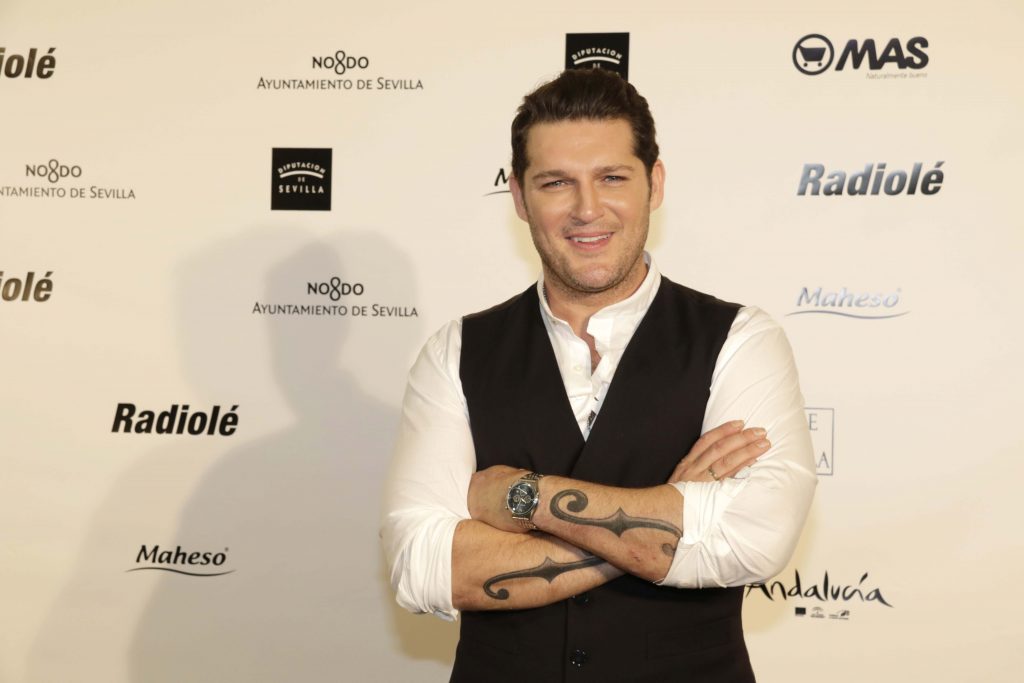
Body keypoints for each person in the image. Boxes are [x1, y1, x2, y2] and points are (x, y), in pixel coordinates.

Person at [381, 68, 817, 682]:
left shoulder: (740, 340)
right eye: (557, 182)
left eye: (612, 177)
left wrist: (523, 497)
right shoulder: (454, 352)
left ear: (654, 183)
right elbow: (426, 569)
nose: (587, 209)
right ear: (518, 197)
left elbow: (752, 539)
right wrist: (663, 517)